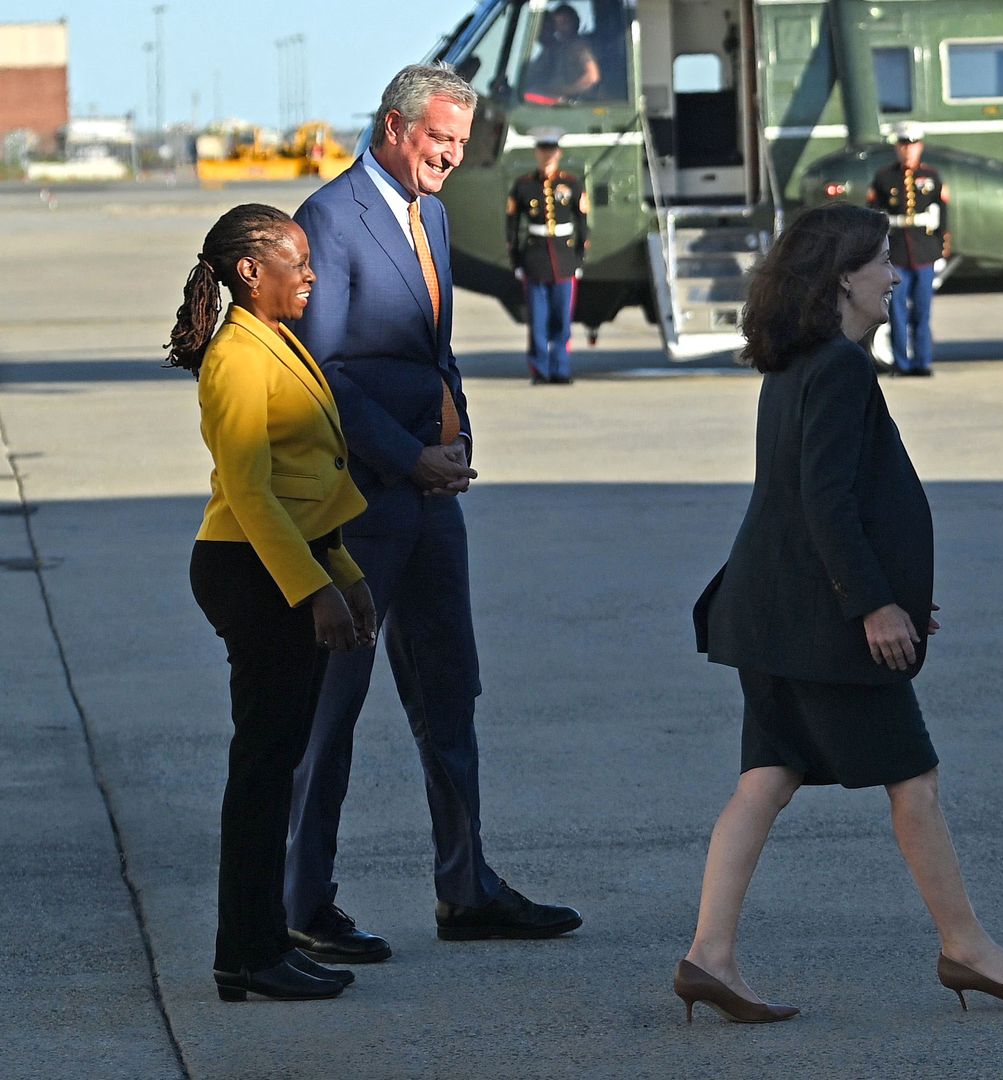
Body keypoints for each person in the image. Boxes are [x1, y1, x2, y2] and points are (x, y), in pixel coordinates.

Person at [680, 203, 1003, 1023]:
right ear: (843, 279)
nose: (895, 276)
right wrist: (872, 606)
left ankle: (709, 957)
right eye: (881, 263)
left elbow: (809, 504)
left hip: (769, 612)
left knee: (766, 778)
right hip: (818, 624)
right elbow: (826, 501)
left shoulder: (795, 362)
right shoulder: (842, 368)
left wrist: (889, 596)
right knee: (915, 780)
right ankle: (966, 949)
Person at [285, 62, 581, 965]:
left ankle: (466, 887)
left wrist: (453, 430)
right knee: (331, 708)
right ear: (392, 127)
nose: (451, 158)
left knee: (450, 692)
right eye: (438, 141)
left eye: (459, 144)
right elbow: (323, 372)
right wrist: (406, 453)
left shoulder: (437, 215)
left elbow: (429, 349)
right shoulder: (329, 222)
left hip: (432, 497)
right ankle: (303, 904)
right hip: (363, 504)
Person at [166, 203, 378, 1001]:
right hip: (251, 571)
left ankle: (255, 948)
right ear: (250, 272)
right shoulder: (237, 359)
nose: (311, 273)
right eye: (297, 260)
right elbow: (252, 495)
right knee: (262, 771)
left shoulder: (272, 341)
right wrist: (314, 589)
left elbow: (306, 484)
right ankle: (248, 954)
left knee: (273, 765)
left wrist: (344, 569)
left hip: (283, 560)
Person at [507, 128, 590, 385]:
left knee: (562, 321)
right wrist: (517, 261)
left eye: (551, 151)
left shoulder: (573, 184)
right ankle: (540, 369)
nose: (547, 155)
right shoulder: (523, 186)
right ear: (537, 152)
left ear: (559, 153)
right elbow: (511, 226)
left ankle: (561, 369)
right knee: (538, 321)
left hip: (564, 260)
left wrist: (578, 259)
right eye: (543, 150)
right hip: (535, 259)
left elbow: (583, 224)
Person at [868, 122, 947, 377]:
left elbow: (941, 215)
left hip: (924, 253)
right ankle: (901, 363)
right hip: (897, 253)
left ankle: (922, 362)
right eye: (903, 145)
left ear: (920, 147)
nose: (908, 150)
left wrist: (942, 247)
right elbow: (873, 215)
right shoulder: (883, 179)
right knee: (897, 311)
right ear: (897, 148)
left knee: (922, 312)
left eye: (912, 145)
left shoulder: (932, 177)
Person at [522, 3, 600, 105]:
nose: (561, 27)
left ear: (575, 22)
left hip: (572, 105)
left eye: (565, 22)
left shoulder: (578, 47)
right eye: (557, 23)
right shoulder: (556, 49)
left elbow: (592, 77)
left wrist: (565, 91)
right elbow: (532, 75)